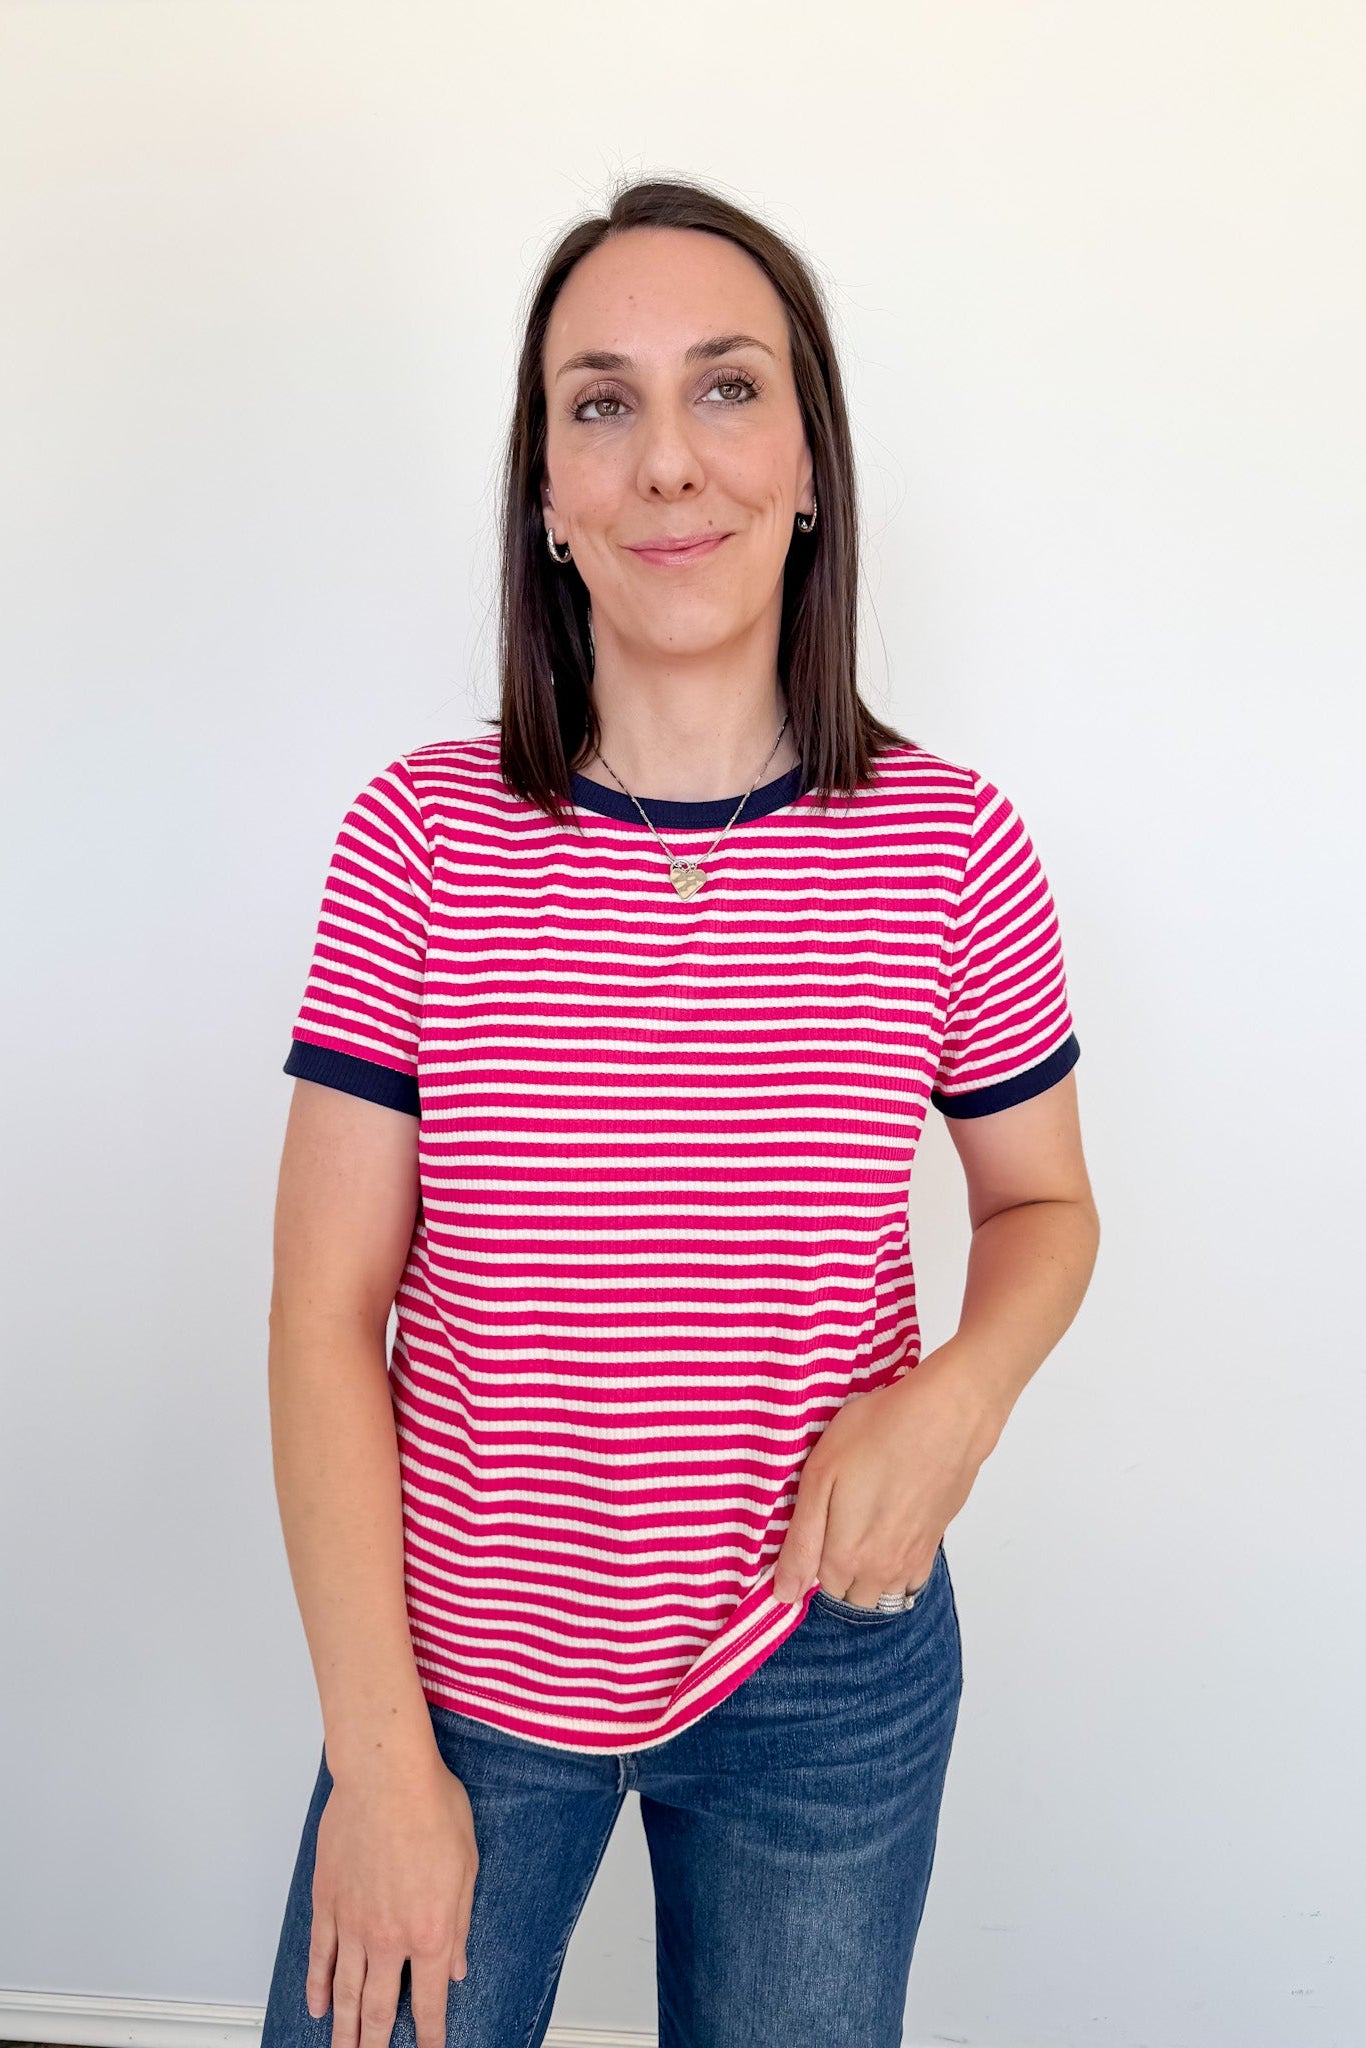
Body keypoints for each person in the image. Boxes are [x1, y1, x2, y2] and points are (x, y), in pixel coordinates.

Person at [260, 177, 1100, 2048]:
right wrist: (380, 1768)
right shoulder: (416, 841)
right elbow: (324, 1322)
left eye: (725, 391)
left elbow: (1044, 1207)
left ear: (810, 463)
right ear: (546, 498)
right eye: (599, 402)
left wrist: (950, 1406)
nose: (665, 463)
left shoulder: (949, 850)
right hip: (460, 1679)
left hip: (826, 1672)